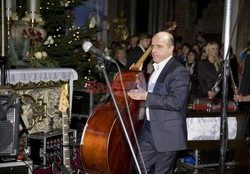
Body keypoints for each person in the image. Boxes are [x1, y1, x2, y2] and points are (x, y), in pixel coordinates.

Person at [128, 31, 190, 174]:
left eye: (159, 46)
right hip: (149, 129)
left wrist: (146, 96)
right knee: (138, 168)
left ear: (171, 48)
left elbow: (176, 102)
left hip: (167, 133)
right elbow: (152, 92)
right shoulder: (156, 68)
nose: (153, 50)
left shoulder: (178, 70)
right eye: (152, 46)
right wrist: (137, 76)